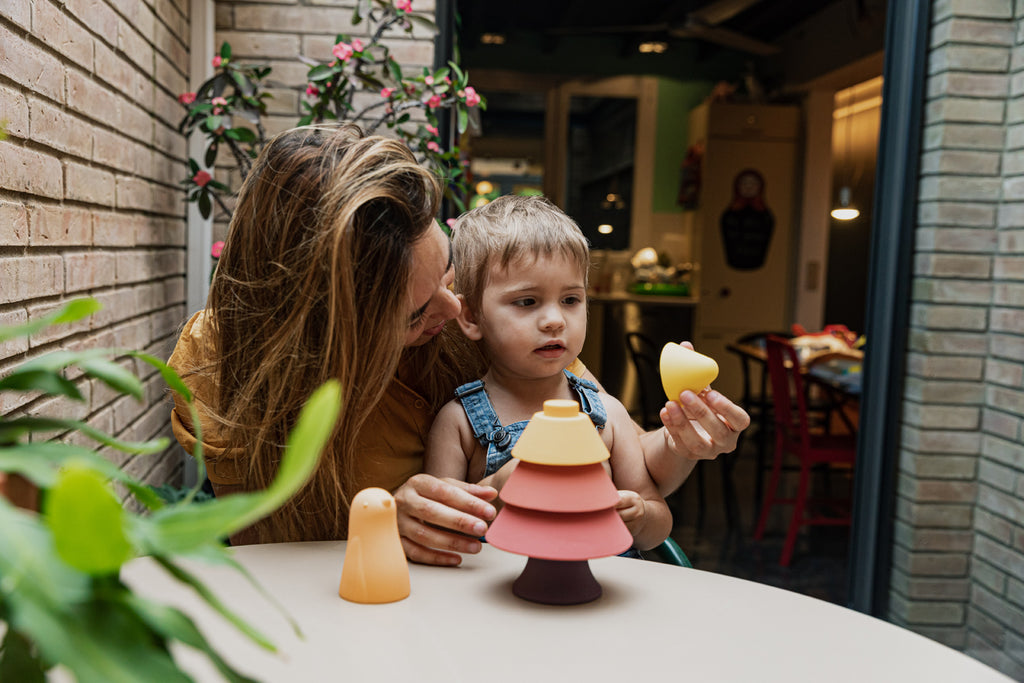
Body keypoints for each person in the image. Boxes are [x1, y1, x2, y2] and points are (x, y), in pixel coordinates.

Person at [168, 123, 749, 565]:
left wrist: (682, 439)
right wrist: (382, 524)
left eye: (446, 275)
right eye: (418, 311)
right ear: (330, 335)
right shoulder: (222, 372)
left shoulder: (503, 335)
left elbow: (632, 467)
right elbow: (275, 560)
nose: (454, 311)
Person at [424, 195, 671, 551]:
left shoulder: (607, 414)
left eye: (571, 300)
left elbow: (659, 522)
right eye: (527, 302)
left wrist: (641, 516)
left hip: (596, 598)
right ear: (471, 317)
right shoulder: (459, 423)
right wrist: (498, 488)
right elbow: (440, 530)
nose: (555, 320)